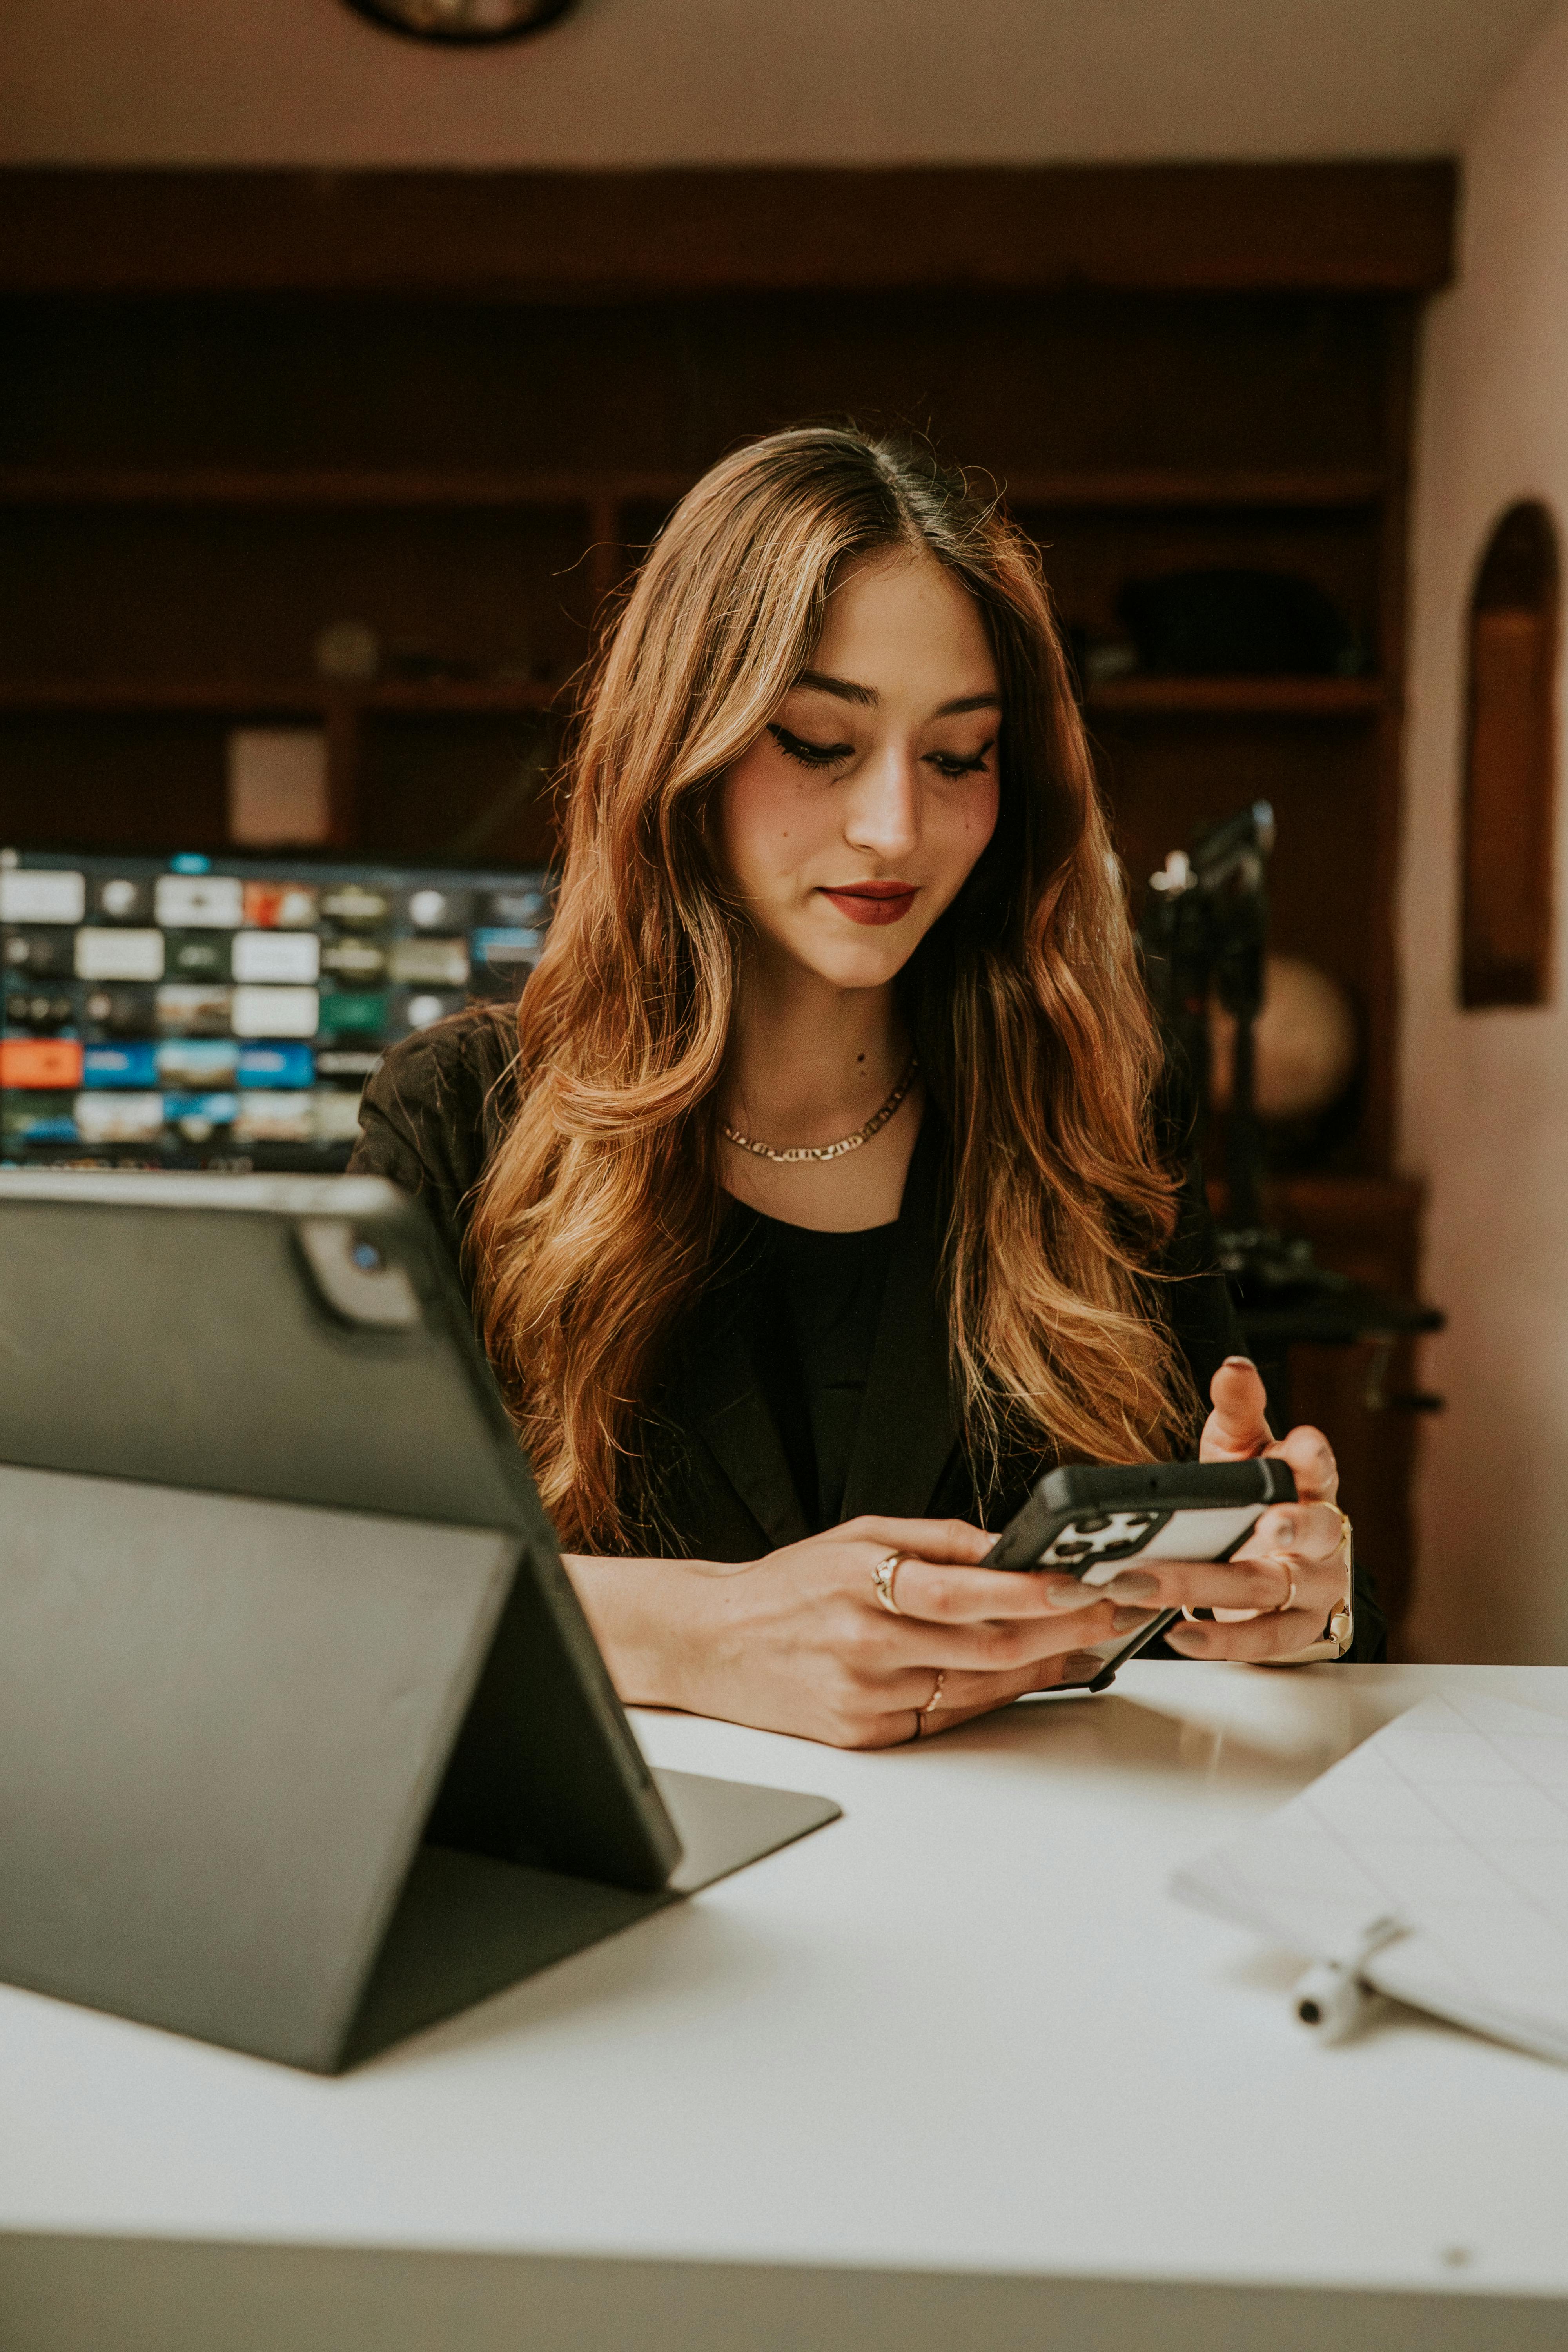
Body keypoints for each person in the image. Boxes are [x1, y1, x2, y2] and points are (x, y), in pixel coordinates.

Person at [351, 426, 1381, 1748]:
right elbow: (323, 1581)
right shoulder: (459, 1121)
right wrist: (709, 1638)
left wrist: (1300, 1595)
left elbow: (1272, 1618)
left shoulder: (1093, 1118)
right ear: (686, 749)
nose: (896, 826)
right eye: (819, 741)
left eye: (959, 757)